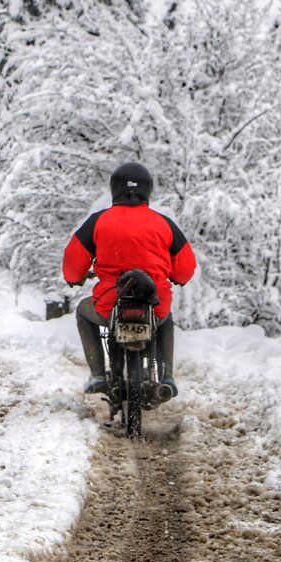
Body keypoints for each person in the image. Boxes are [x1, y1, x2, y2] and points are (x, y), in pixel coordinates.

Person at [61, 161, 196, 396]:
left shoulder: (98, 221)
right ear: (148, 190)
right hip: (154, 301)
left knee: (84, 311)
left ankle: (98, 375)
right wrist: (175, 277)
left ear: (115, 188)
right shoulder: (164, 224)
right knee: (165, 316)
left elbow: (73, 265)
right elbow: (185, 269)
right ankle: (167, 377)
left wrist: (77, 277)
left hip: (110, 302)